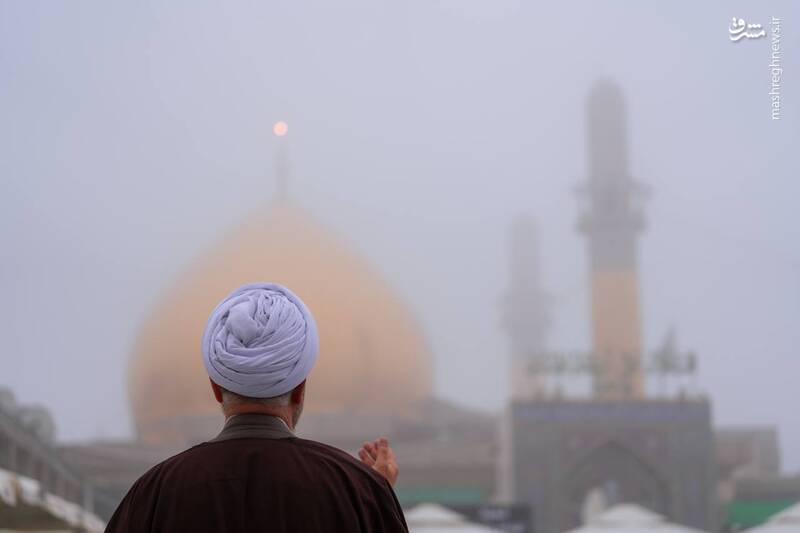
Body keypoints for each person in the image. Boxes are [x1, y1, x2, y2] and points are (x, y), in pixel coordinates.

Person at [106, 283, 408, 532]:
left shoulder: (153, 495)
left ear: (215, 388)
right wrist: (370, 494)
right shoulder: (356, 492)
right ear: (300, 389)